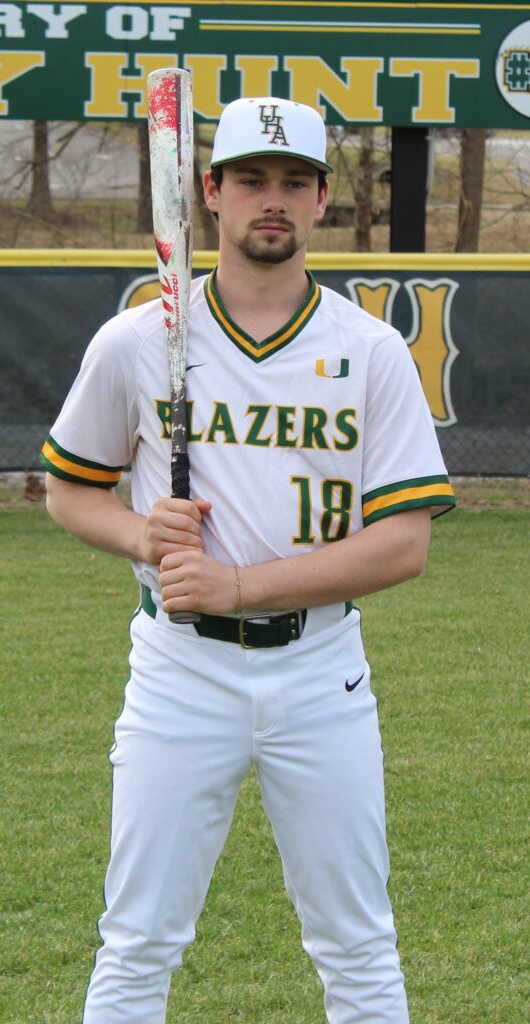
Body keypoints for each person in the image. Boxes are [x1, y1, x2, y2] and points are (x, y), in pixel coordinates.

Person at [41, 96, 455, 1024]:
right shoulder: (137, 341)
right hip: (179, 671)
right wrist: (141, 536)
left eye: (295, 182)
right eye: (252, 180)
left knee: (357, 944)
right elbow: (70, 490)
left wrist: (237, 583)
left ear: (321, 200)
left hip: (320, 670)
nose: (274, 199)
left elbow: (403, 543)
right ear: (211, 193)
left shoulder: (370, 351)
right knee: (137, 940)